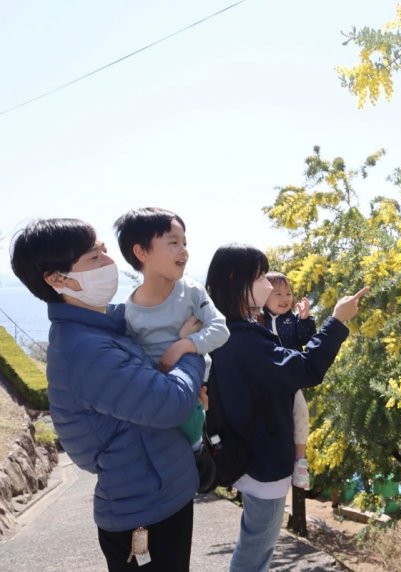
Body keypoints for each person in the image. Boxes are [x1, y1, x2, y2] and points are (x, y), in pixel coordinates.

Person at [10, 218, 205, 571]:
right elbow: (171, 405)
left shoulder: (102, 330)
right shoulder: (86, 349)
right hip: (146, 514)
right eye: (93, 257)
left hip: (158, 496)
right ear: (57, 279)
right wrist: (188, 349)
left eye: (103, 250)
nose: (109, 262)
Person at [206, 243, 367, 572]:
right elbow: (307, 369)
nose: (268, 284)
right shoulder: (245, 340)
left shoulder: (227, 332)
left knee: (258, 543)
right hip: (261, 462)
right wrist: (337, 321)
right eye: (261, 276)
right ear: (237, 280)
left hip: (246, 453)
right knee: (257, 546)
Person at [114, 207, 229, 491]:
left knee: (193, 430)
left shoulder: (192, 291)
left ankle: (200, 454)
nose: (184, 251)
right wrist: (166, 365)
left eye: (185, 243)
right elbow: (136, 363)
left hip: (196, 387)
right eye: (173, 242)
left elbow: (220, 330)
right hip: (161, 396)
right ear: (142, 252)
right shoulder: (129, 313)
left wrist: (183, 345)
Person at [260, 271, 314, 489]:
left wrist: (305, 319)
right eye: (277, 293)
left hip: (290, 382)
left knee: (301, 411)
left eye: (288, 293)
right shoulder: (257, 320)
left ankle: (300, 460)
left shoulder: (292, 321)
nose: (285, 298)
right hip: (265, 384)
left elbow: (308, 340)